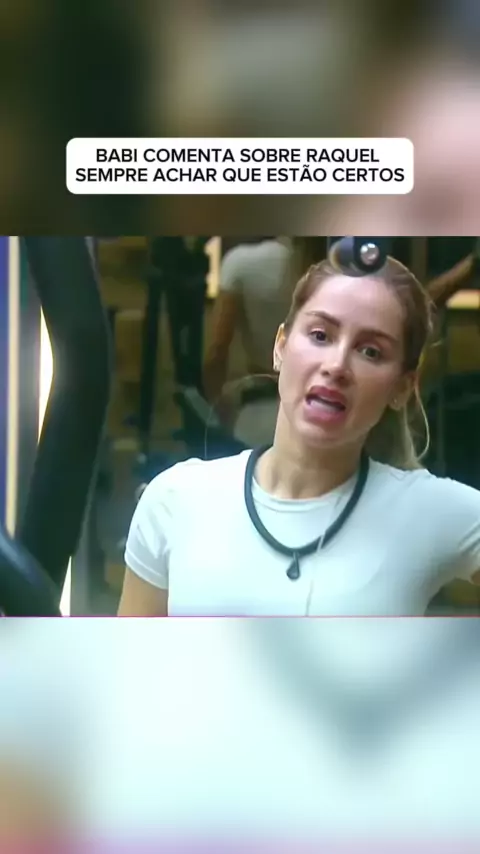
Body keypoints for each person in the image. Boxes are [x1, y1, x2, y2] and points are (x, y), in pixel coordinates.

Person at [118, 256, 480, 617]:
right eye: (320, 336)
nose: (336, 366)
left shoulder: (426, 510)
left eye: (370, 352)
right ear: (280, 346)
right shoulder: (177, 498)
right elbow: (130, 653)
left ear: (401, 388)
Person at [202, 237, 293, 444]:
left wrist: (218, 407)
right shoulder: (332, 263)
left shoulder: (241, 263)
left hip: (259, 413)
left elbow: (216, 351)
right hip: (321, 411)